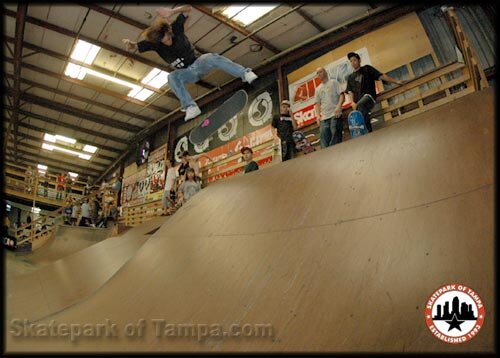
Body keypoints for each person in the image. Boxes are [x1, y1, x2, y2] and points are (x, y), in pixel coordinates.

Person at [122, 5, 258, 121]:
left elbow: (188, 9)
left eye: (168, 38)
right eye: (163, 42)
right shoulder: (154, 44)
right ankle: (191, 107)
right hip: (187, 73)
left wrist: (173, 11)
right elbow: (136, 46)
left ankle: (245, 73)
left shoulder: (176, 28)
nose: (167, 42)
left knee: (211, 57)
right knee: (171, 77)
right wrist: (130, 44)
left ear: (169, 32)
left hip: (199, 63)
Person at [345, 52, 404, 133]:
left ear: (359, 60)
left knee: (361, 105)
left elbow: (381, 76)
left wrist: (396, 81)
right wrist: (352, 102)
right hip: (359, 102)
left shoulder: (367, 69)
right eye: (351, 61)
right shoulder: (350, 77)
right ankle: (367, 131)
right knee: (362, 109)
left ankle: (363, 128)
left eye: (354, 60)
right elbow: (350, 91)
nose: (353, 62)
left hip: (369, 97)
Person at [315, 67, 345, 149]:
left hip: (335, 114)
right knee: (323, 137)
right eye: (317, 73)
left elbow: (342, 95)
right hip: (324, 117)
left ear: (325, 72)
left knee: (335, 132)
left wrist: (339, 107)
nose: (319, 74)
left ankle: (335, 152)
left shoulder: (333, 82)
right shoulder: (318, 89)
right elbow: (317, 104)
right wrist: (317, 116)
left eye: (320, 72)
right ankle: (326, 156)